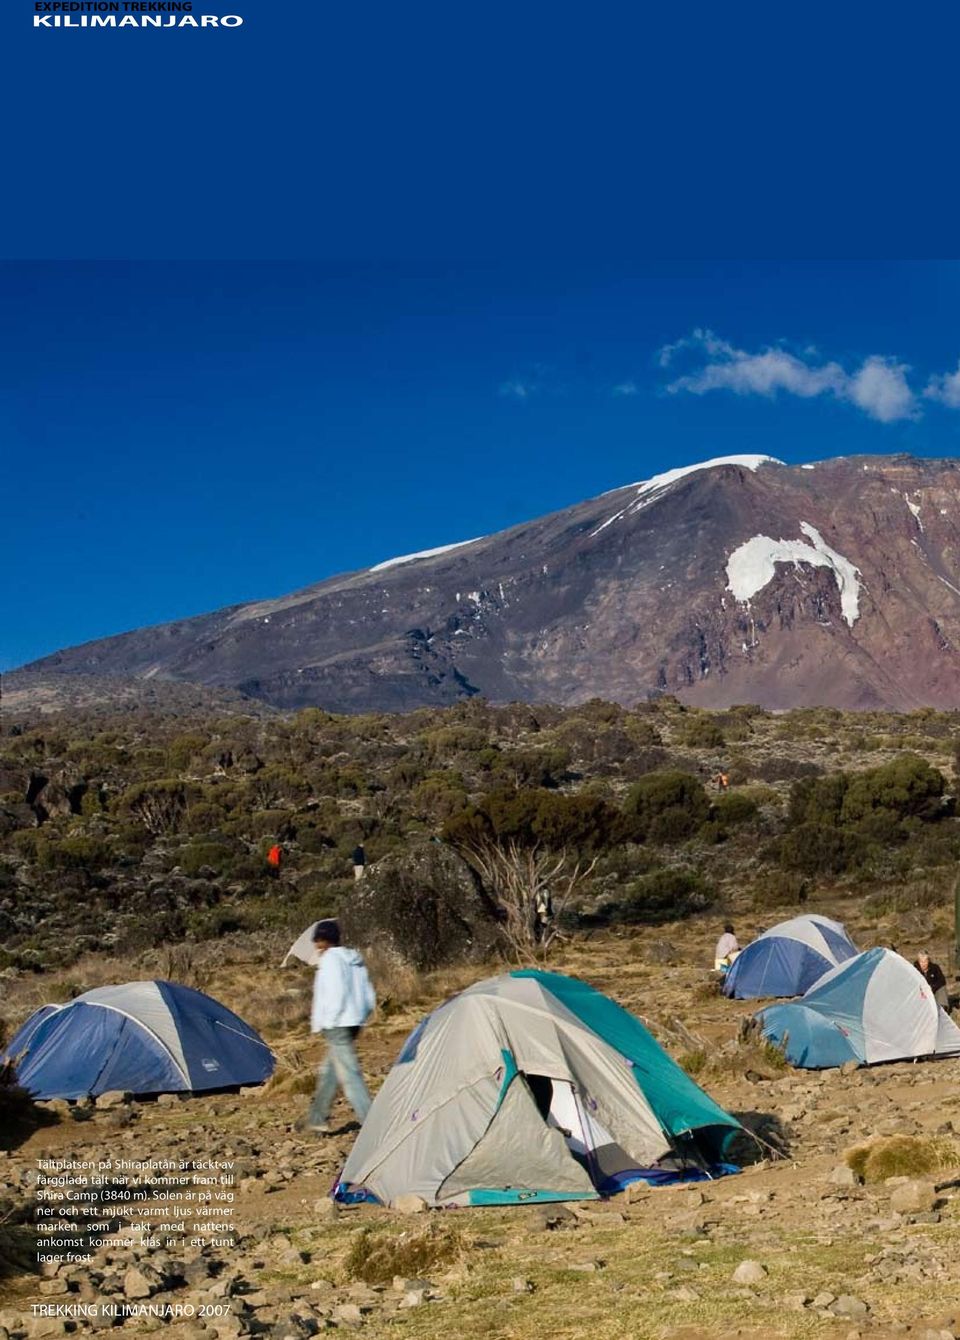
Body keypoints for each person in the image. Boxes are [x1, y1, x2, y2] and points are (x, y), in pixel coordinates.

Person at [304, 920, 376, 1134]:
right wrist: (362, 1014)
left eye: (318, 940)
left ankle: (373, 1124)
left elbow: (335, 993)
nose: (316, 945)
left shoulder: (331, 961)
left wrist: (327, 1021)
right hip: (354, 1021)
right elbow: (369, 994)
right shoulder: (354, 959)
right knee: (330, 1072)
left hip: (337, 1024)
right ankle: (316, 1118)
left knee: (350, 1076)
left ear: (322, 941)